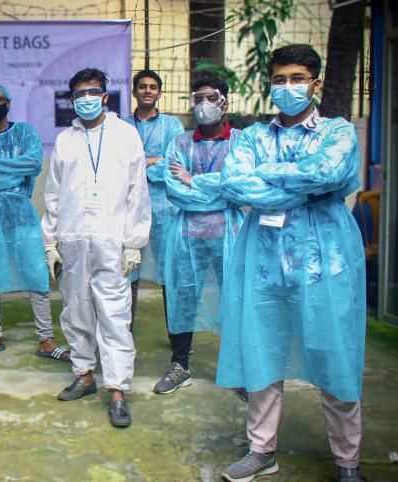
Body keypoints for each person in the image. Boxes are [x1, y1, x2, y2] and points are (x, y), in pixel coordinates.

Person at [217, 45, 366, 482]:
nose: (288, 87)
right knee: (263, 352)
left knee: (334, 354)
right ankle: (261, 450)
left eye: (297, 78)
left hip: (327, 260)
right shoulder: (252, 137)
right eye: (279, 79)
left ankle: (348, 462)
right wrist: (303, 180)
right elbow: (236, 182)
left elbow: (332, 173)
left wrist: (271, 174)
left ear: (315, 84)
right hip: (264, 259)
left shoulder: (338, 132)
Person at [42, 68, 151, 428]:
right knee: (75, 311)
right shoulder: (65, 141)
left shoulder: (125, 135)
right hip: (73, 239)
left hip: (112, 240)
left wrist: (134, 243)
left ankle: (117, 391)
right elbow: (53, 195)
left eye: (93, 92)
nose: (86, 98)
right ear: (71, 100)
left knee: (115, 315)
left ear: (105, 96)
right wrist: (50, 241)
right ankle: (84, 375)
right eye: (79, 94)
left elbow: (138, 192)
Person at [0, 83, 69, 360]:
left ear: (9, 102)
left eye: (0, 99)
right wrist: (9, 174)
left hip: (21, 214)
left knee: (36, 273)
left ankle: (46, 340)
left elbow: (33, 164)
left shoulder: (25, 132)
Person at [154, 76, 244, 395]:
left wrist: (195, 181)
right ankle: (180, 365)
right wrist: (214, 188)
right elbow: (174, 191)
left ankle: (240, 371)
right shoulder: (180, 142)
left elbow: (241, 187)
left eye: (211, 97)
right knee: (183, 298)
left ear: (225, 102)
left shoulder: (241, 142)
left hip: (230, 235)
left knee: (235, 299)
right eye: (198, 98)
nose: (203, 105)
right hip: (187, 235)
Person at [122, 70, 184, 330]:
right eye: (143, 86)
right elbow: (117, 168)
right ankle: (124, 332)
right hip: (128, 207)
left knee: (170, 274)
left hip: (164, 207)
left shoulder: (172, 126)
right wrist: (152, 161)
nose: (148, 91)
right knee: (127, 272)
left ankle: (177, 335)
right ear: (135, 91)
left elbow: (175, 165)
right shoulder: (121, 126)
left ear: (160, 93)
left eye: (153, 87)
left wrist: (139, 166)